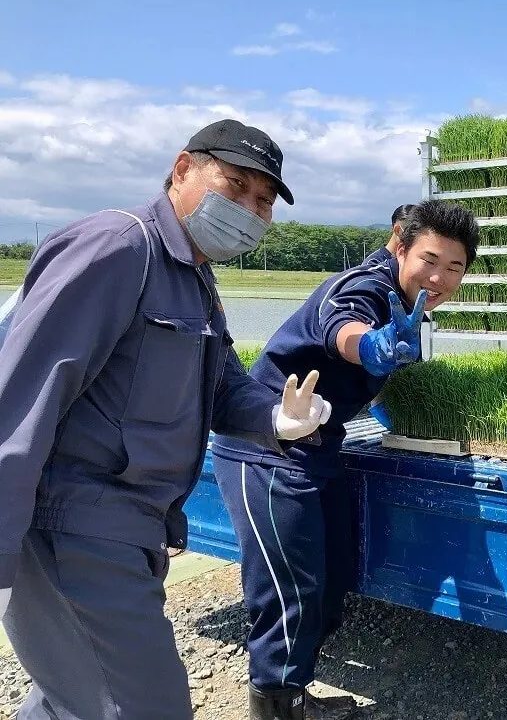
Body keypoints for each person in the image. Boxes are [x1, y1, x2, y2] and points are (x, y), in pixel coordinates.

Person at [0, 119, 333, 719]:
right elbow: (21, 399)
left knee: (71, 699)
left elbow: (224, 385)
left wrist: (278, 417)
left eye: (263, 202)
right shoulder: (118, 248)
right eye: (235, 186)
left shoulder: (194, 276)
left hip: (130, 532)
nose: (250, 211)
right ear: (183, 170)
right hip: (74, 529)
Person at [210, 199, 479, 720]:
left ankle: (298, 695)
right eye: (429, 260)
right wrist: (369, 345)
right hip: (268, 448)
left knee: (330, 580)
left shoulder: (404, 300)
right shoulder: (366, 287)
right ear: (399, 245)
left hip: (318, 447)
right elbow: (345, 326)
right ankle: (275, 707)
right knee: (290, 592)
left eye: (455, 268)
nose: (440, 278)